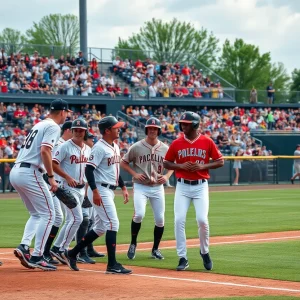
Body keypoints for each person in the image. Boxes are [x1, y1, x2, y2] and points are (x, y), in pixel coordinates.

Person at [63, 116, 132, 274]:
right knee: (113, 224)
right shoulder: (99, 148)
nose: (118, 129)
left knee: (101, 227)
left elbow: (114, 170)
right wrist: (94, 191)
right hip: (100, 189)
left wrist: (123, 187)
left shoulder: (114, 145)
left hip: (108, 189)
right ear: (107, 130)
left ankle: (73, 253)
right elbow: (88, 170)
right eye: (116, 127)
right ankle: (112, 265)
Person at [10, 99, 71, 271]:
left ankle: (24, 246)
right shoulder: (53, 126)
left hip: (17, 171)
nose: (66, 116)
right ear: (62, 112)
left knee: (36, 214)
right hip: (31, 171)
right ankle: (37, 256)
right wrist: (51, 177)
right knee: (49, 214)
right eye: (66, 112)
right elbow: (45, 150)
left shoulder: (39, 124)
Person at [163, 111, 224, 271]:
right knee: (178, 220)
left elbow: (220, 161)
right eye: (182, 123)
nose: (183, 126)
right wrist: (180, 166)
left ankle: (205, 251)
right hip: (182, 186)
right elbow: (167, 163)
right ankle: (182, 257)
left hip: (200, 186)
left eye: (186, 124)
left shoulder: (207, 141)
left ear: (195, 125)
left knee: (202, 220)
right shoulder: (176, 143)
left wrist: (204, 166)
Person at [120, 117, 173, 260]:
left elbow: (172, 165)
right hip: (141, 186)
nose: (152, 130)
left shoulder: (165, 148)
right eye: (150, 128)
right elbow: (123, 163)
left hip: (157, 187)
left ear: (159, 131)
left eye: (155, 128)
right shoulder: (136, 146)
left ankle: (155, 249)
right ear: (146, 130)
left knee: (160, 219)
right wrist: (134, 174)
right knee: (139, 215)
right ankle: (133, 244)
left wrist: (167, 176)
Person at [49, 119, 92, 265]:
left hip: (81, 189)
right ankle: (62, 248)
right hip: (66, 188)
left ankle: (56, 248)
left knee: (70, 220)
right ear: (72, 131)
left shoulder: (87, 149)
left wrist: (86, 192)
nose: (78, 132)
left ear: (85, 131)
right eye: (76, 130)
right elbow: (53, 164)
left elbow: (87, 171)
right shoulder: (65, 147)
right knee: (78, 219)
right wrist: (67, 177)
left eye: (81, 130)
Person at [43, 121, 73, 265]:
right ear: (68, 130)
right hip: (52, 182)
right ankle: (45, 251)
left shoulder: (63, 144)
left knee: (60, 217)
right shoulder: (61, 144)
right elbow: (53, 162)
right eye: (73, 130)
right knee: (55, 217)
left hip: (56, 183)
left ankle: (47, 251)